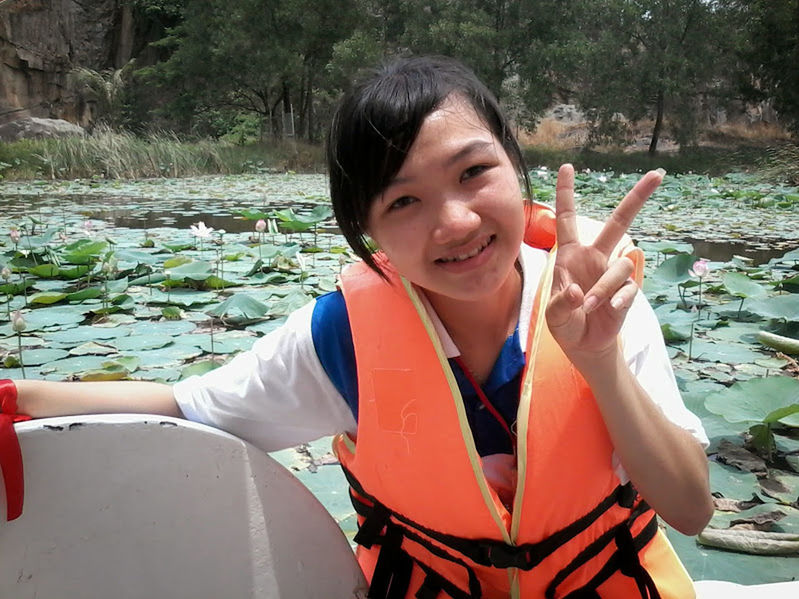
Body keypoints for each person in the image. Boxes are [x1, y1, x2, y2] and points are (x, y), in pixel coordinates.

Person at [3, 55, 712, 598]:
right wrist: (17, 398)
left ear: (513, 165)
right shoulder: (340, 335)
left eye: (473, 172)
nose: (455, 221)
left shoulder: (594, 293)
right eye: (403, 200)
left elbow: (688, 507)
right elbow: (184, 406)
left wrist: (599, 363)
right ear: (364, 231)